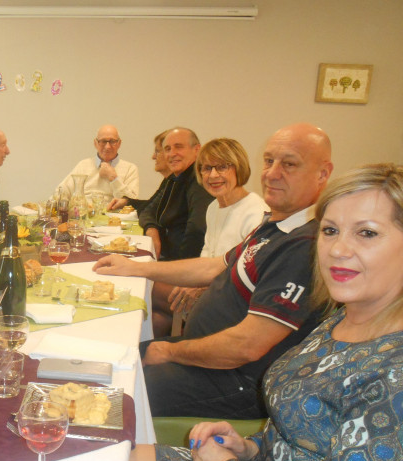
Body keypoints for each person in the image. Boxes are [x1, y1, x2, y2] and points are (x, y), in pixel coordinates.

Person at [120, 163, 403, 461]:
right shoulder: (339, 321)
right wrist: (249, 448)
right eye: (330, 230)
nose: (338, 249)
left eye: (367, 233)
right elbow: (305, 430)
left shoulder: (393, 370)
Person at [94, 123, 334, 419]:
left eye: (289, 164)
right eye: (269, 161)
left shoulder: (304, 245)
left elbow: (247, 346)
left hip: (236, 380)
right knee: (110, 359)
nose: (272, 173)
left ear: (323, 174)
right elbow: (213, 265)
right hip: (204, 355)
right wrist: (135, 267)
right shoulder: (274, 226)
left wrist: (169, 352)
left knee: (110, 395)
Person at [152, 138, 268, 336]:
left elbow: (250, 276)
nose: (213, 175)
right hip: (210, 289)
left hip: (233, 301)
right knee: (154, 315)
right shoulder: (213, 207)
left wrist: (202, 287)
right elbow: (207, 256)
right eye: (206, 168)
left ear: (238, 167)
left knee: (149, 288)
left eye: (222, 167)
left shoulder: (255, 211)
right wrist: (193, 283)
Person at [137, 127, 214, 260]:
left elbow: (196, 231)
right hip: (166, 257)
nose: (172, 154)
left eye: (178, 147)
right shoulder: (174, 179)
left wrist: (175, 270)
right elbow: (148, 211)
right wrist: (151, 229)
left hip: (182, 265)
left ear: (197, 150)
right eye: (167, 149)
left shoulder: (199, 180)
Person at [57, 124, 140, 205]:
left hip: (115, 217)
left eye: (112, 141)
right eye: (103, 141)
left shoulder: (130, 168)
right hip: (85, 215)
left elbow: (132, 203)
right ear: (95, 143)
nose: (107, 147)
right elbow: (61, 192)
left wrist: (114, 178)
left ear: (119, 143)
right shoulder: (83, 165)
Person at [108, 130, 171, 213]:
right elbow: (151, 205)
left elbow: (153, 211)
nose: (153, 157)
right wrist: (126, 202)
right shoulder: (169, 181)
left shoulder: (180, 182)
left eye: (157, 151)